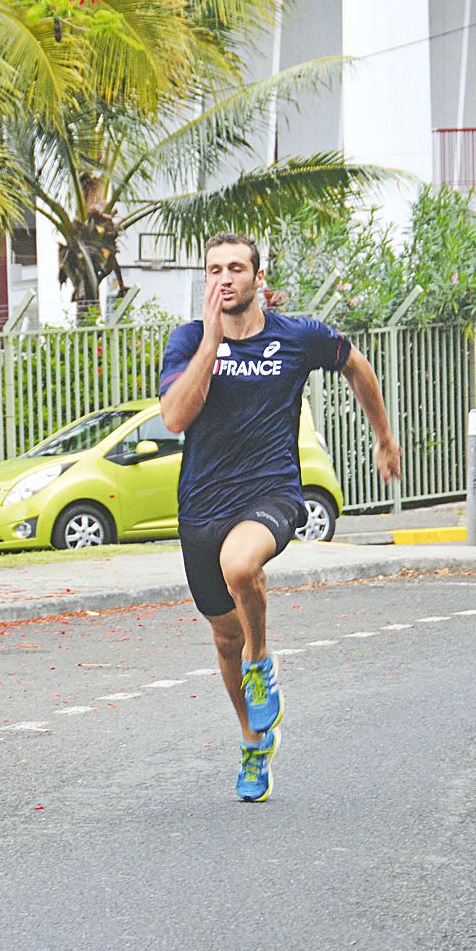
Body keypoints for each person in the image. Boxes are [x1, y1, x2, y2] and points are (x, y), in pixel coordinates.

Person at [159, 232, 400, 803]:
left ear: (257, 279)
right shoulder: (188, 341)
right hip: (201, 505)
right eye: (214, 270)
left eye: (236, 268)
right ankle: (253, 745)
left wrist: (383, 437)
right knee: (223, 641)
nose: (224, 278)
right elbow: (175, 417)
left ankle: (261, 660)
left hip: (273, 492)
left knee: (241, 566)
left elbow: (355, 363)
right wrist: (212, 342)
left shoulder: (298, 337)